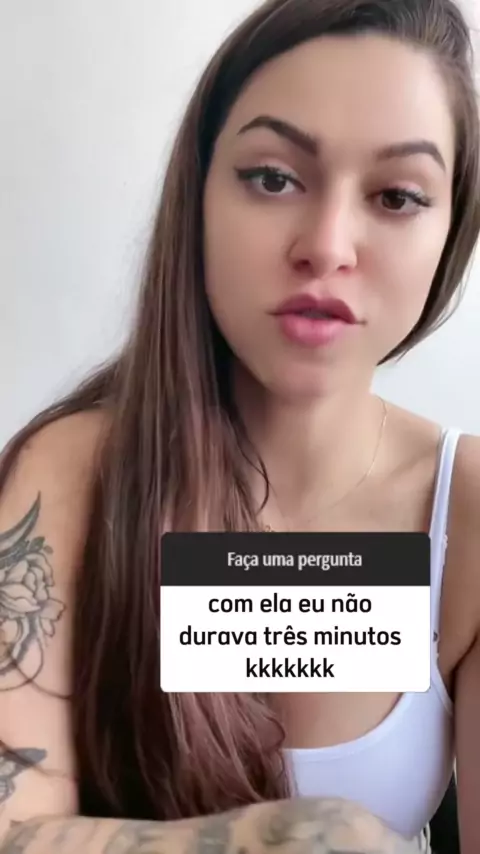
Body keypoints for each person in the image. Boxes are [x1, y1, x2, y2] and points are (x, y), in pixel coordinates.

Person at [0, 0, 479, 851]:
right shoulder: (73, 475)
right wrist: (302, 836)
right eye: (273, 178)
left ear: (453, 232)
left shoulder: (467, 514)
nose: (328, 244)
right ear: (199, 195)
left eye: (397, 195)